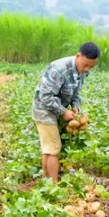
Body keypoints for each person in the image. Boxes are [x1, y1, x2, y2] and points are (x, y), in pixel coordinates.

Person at [31, 42, 101, 182]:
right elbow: (45, 97)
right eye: (86, 65)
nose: (87, 69)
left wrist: (75, 106)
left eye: (91, 66)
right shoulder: (59, 69)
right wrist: (64, 112)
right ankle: (54, 185)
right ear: (78, 56)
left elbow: (76, 93)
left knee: (49, 148)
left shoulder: (82, 71)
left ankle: (47, 182)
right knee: (54, 148)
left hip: (56, 110)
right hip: (44, 110)